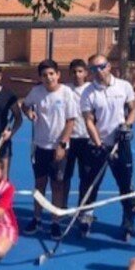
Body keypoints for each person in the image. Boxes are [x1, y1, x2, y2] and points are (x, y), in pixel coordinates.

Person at [80, 55, 135, 239]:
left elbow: (133, 109)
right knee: (90, 183)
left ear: (109, 66)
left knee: (125, 184)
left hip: (121, 145)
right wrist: (99, 143)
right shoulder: (88, 92)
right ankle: (86, 217)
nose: (98, 71)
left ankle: (128, 218)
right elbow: (89, 121)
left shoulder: (124, 86)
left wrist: (127, 126)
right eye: (93, 69)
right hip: (97, 145)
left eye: (101, 67)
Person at [21, 59, 79, 238]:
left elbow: (71, 121)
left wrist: (62, 144)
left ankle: (55, 222)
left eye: (51, 74)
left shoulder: (66, 93)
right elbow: (25, 104)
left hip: (59, 148)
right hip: (40, 146)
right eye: (44, 75)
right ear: (40, 77)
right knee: (39, 185)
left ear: (58, 75)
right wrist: (28, 112)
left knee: (57, 186)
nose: (48, 78)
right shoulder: (36, 92)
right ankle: (37, 219)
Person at [64, 59, 92, 208]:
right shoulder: (64, 89)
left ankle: (83, 209)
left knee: (86, 177)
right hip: (69, 139)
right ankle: (62, 207)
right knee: (65, 176)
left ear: (86, 73)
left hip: (87, 139)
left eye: (80, 71)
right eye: (74, 72)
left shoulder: (92, 89)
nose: (77, 75)